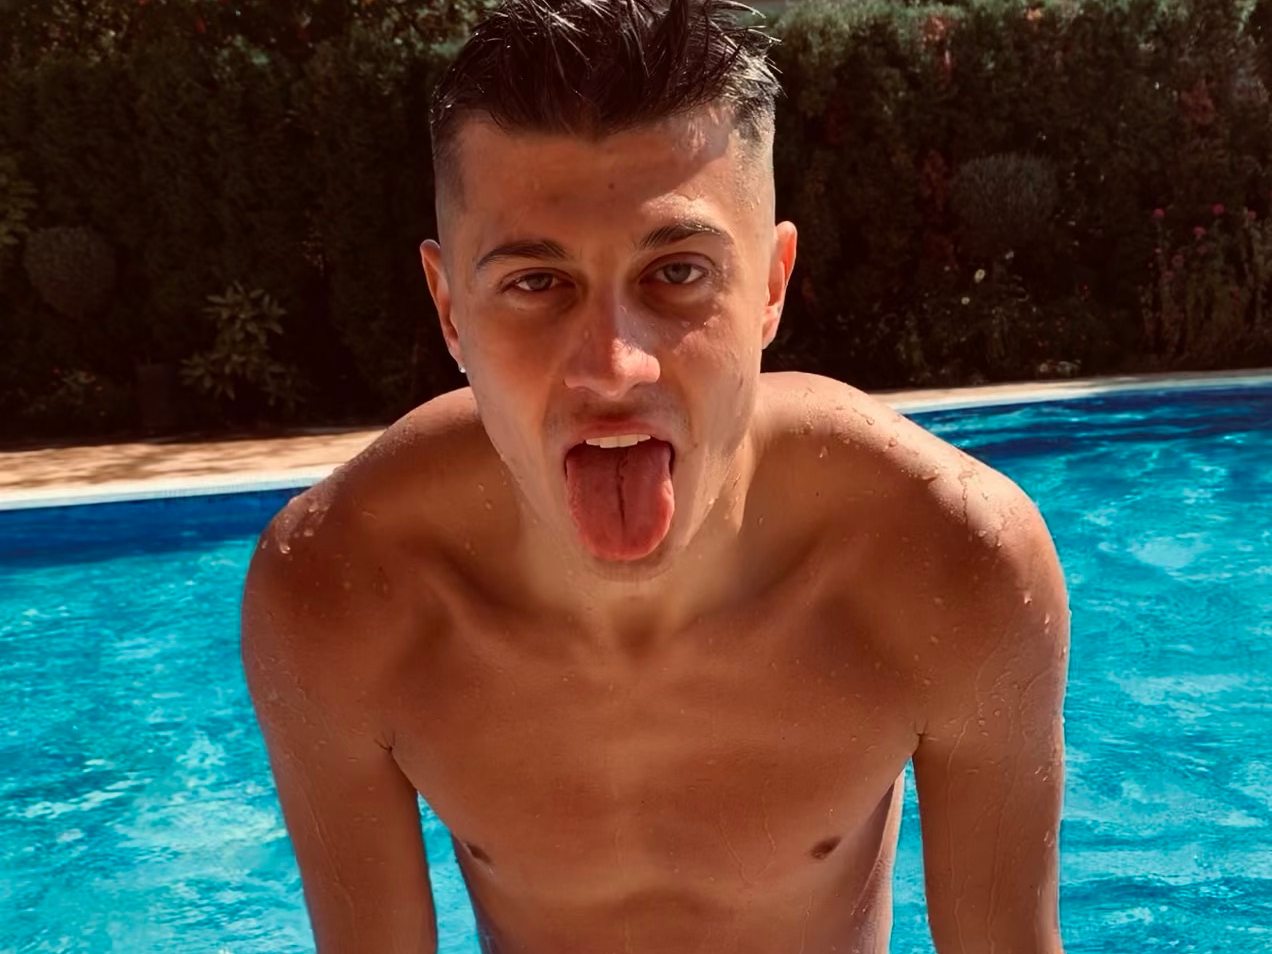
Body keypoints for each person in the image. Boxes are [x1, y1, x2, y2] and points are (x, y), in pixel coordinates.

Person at [240, 0, 1071, 950]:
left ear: (770, 285)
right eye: (536, 282)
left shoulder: (948, 561)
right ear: (449, 308)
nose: (613, 368)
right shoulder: (340, 588)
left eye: (677, 273)